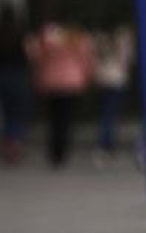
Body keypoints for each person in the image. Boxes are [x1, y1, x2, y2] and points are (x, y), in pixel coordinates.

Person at [26, 14, 93, 168]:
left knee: (53, 118)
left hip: (51, 82)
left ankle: (54, 151)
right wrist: (87, 76)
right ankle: (63, 150)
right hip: (71, 82)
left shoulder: (47, 36)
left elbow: (37, 57)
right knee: (66, 119)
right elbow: (85, 58)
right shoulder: (76, 37)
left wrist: (37, 77)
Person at [92, 23, 134, 157]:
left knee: (106, 111)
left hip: (103, 77)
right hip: (117, 78)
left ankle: (105, 140)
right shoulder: (123, 37)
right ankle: (107, 141)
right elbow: (127, 58)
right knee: (112, 112)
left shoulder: (99, 37)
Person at [0, 4, 29, 164]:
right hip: (17, 76)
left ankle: (7, 143)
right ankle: (14, 143)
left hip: (3, 75)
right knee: (16, 112)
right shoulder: (20, 34)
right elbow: (28, 56)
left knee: (7, 112)